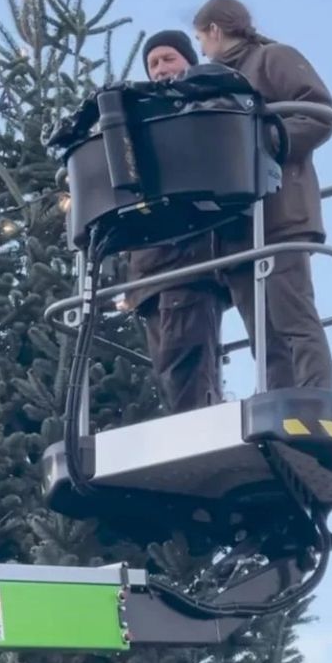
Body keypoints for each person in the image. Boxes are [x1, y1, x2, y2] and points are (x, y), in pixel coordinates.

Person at [192, 0, 332, 391]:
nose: (201, 50)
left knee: (293, 318)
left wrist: (270, 139)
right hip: (236, 226)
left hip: (280, 216)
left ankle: (312, 400)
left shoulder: (274, 58)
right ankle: (277, 402)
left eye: (201, 39)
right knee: (262, 333)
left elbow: (320, 112)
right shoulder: (212, 82)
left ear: (215, 32)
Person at [125, 30, 233, 414]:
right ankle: (197, 418)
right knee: (170, 364)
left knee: (184, 358)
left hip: (188, 264)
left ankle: (199, 424)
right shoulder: (137, 117)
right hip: (150, 272)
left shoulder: (207, 104)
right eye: (153, 63)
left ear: (190, 61)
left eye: (168, 59)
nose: (160, 70)